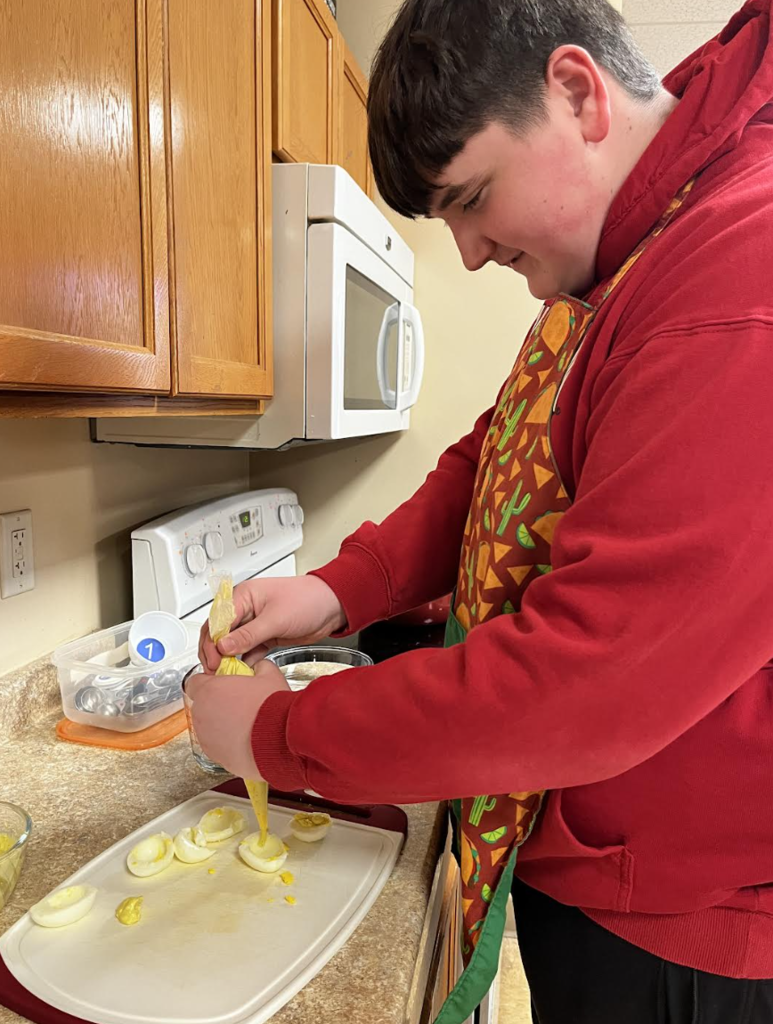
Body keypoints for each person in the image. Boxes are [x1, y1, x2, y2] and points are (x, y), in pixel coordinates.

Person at [186, 0, 773, 1020]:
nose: (463, 254)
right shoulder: (631, 254)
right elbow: (496, 452)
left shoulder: (730, 279)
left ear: (577, 93)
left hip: (679, 918)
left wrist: (279, 734)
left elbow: (587, 682)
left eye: (471, 199)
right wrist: (338, 588)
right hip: (598, 847)